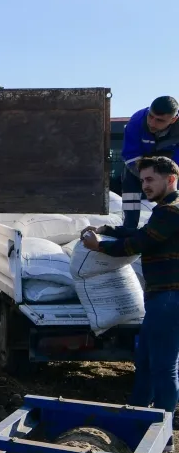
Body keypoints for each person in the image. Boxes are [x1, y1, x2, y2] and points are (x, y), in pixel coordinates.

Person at [82, 155, 179, 431]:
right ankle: (136, 422)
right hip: (162, 298)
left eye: (150, 180)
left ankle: (162, 434)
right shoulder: (166, 210)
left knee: (164, 367)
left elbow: (138, 243)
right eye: (143, 180)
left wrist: (98, 246)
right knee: (146, 362)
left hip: (169, 299)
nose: (145, 186)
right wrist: (106, 229)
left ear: (170, 179)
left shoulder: (170, 210)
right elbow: (141, 233)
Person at [120, 96, 179, 228]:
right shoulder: (136, 122)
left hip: (169, 166)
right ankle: (129, 227)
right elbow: (130, 155)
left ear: (174, 119)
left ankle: (170, 225)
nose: (152, 123)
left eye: (159, 120)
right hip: (142, 163)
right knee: (128, 178)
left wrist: (164, 179)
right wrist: (146, 176)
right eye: (151, 116)